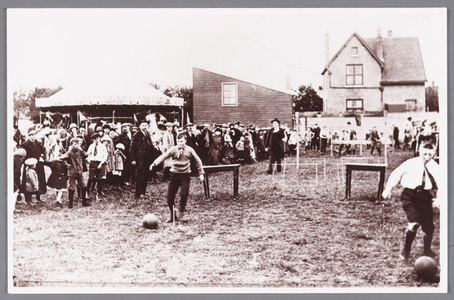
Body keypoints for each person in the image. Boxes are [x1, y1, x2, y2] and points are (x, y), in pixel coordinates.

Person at [382, 143, 440, 260]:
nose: (427, 157)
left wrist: (439, 199)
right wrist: (388, 188)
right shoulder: (411, 163)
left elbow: (443, 184)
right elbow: (396, 173)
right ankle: (406, 251)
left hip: (425, 197)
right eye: (424, 154)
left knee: (429, 228)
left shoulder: (435, 167)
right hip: (409, 195)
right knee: (414, 222)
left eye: (430, 154)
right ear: (419, 151)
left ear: (434, 153)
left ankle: (427, 251)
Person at [149, 133, 205, 223]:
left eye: (182, 141)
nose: (180, 143)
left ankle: (181, 213)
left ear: (185, 141)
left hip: (185, 175)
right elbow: (163, 156)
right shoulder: (173, 149)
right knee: (169, 198)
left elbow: (198, 161)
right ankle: (172, 215)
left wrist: (201, 173)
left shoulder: (190, 150)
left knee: (184, 194)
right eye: (178, 141)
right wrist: (154, 163)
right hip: (174, 175)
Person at [60, 138, 90, 208]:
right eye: (74, 144)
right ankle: (70, 204)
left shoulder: (80, 151)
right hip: (72, 172)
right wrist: (66, 164)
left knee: (84, 186)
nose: (76, 145)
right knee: (72, 188)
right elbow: (62, 158)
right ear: (71, 145)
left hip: (79, 172)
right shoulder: (69, 152)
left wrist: (81, 149)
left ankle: (84, 202)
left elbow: (86, 155)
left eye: (77, 144)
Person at [130, 120, 156, 199]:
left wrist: (153, 157)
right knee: (139, 176)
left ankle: (143, 192)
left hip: (147, 159)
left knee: (146, 175)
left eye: (146, 125)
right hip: (139, 159)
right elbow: (132, 148)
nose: (145, 127)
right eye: (143, 125)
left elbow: (150, 146)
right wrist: (133, 159)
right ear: (140, 126)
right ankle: (138, 193)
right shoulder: (136, 135)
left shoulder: (147, 134)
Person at [21, 129, 47, 201]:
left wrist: (42, 157)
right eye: (31, 135)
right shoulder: (24, 145)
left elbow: (43, 152)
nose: (32, 137)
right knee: (28, 181)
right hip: (29, 164)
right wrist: (26, 161)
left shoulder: (39, 144)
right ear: (28, 136)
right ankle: (28, 198)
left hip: (38, 165)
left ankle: (38, 197)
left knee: (38, 180)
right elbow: (23, 155)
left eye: (34, 135)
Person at [86, 133, 108, 202]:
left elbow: (105, 156)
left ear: (99, 138)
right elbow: (88, 154)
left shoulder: (103, 146)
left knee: (99, 179)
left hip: (99, 163)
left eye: (97, 139)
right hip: (92, 162)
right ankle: (87, 193)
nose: (96, 140)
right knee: (90, 178)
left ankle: (98, 194)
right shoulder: (91, 146)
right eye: (95, 139)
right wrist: (89, 161)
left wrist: (101, 164)